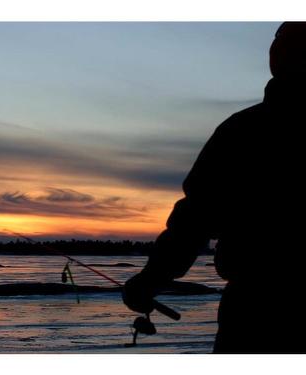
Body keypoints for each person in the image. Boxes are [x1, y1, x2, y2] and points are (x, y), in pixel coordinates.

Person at [122, 22, 306, 354]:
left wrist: (150, 279)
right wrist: (152, 278)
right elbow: (195, 216)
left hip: (257, 311)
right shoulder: (242, 129)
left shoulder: (244, 130)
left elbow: (194, 219)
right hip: (252, 305)